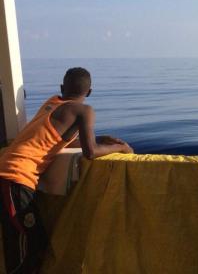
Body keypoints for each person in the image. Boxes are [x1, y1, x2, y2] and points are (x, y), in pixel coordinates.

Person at [0, 67, 133, 273]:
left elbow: (58, 140)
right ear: (89, 93)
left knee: (17, 245)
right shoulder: (85, 111)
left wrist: (99, 138)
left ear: (62, 87)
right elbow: (90, 152)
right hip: (15, 180)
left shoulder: (51, 104)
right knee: (33, 247)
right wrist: (120, 147)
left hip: (8, 177)